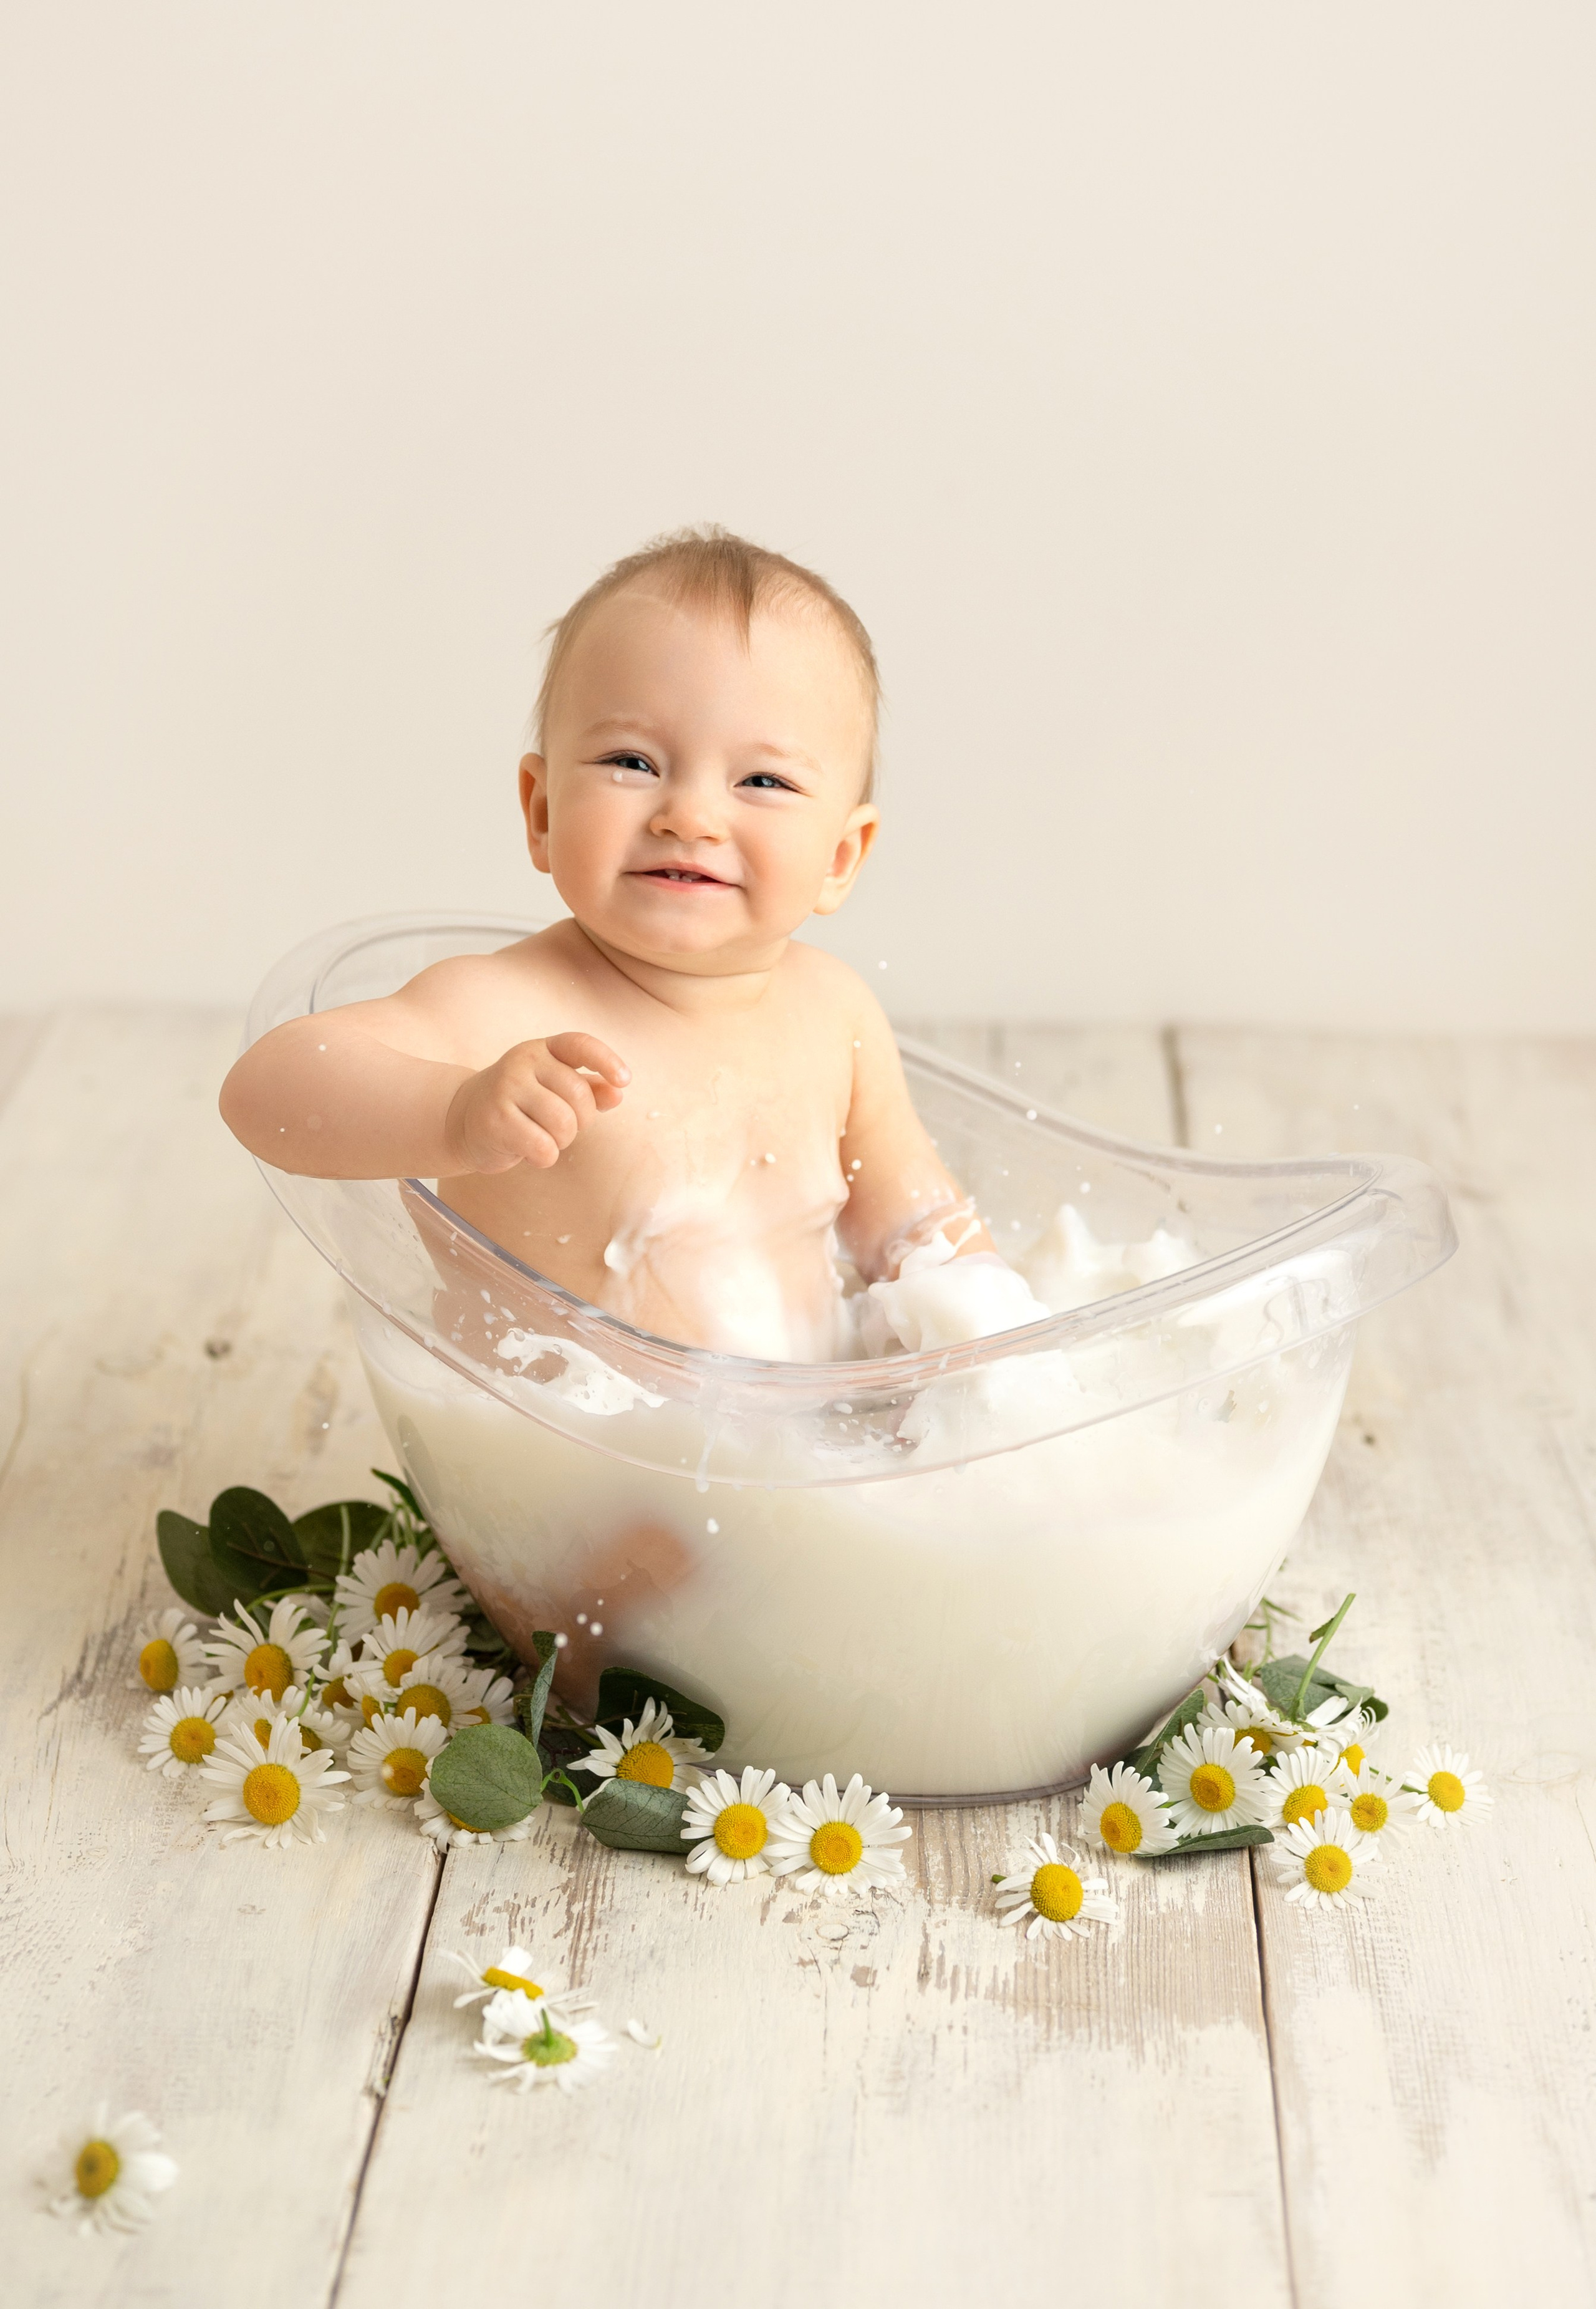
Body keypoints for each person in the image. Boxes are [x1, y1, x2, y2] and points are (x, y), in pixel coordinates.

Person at [220, 528, 994, 1361]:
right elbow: (265, 1091)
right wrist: (454, 1112)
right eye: (633, 761)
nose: (689, 816)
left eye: (762, 781)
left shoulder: (835, 1013)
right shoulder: (509, 1010)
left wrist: (996, 1340)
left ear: (841, 859)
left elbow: (918, 1228)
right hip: (567, 1460)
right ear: (542, 812)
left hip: (804, 1458)